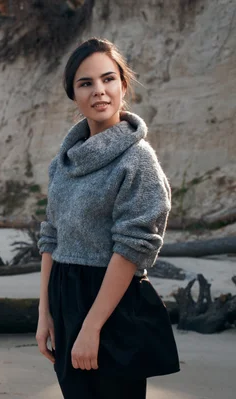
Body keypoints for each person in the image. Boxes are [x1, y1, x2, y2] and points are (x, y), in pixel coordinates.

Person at [35, 38, 181, 399]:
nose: (99, 91)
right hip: (65, 301)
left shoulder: (137, 160)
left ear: (123, 85)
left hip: (112, 312)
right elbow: (51, 236)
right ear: (73, 93)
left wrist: (92, 327)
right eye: (86, 83)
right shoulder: (64, 162)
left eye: (108, 79)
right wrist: (45, 312)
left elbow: (133, 248)